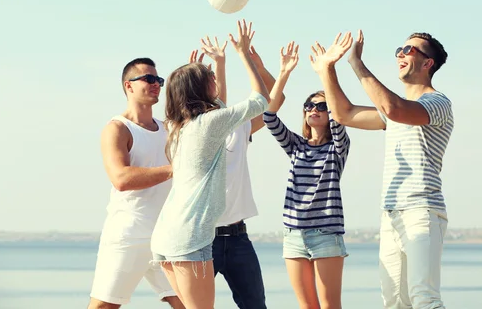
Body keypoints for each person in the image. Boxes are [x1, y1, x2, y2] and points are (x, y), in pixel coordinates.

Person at [309, 31, 453, 309]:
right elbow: (344, 114)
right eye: (399, 48)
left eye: (409, 50)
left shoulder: (438, 103)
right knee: (394, 303)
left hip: (421, 212)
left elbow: (392, 106)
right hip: (391, 215)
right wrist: (327, 69)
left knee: (425, 299)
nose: (400, 53)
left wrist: (356, 63)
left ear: (428, 64)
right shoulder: (397, 112)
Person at [150, 20, 270, 309]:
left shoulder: (178, 126)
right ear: (200, 89)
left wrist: (207, 72)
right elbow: (261, 100)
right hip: (191, 238)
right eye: (209, 78)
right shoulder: (208, 124)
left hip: (167, 236)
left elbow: (218, 108)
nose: (214, 80)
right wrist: (242, 54)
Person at [187, 31, 277, 309]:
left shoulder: (239, 128)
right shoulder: (191, 133)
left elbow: (273, 98)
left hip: (238, 238)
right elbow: (216, 110)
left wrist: (249, 62)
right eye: (208, 81)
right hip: (202, 239)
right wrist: (227, 62)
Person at [88, 58, 184, 309]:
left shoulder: (169, 129)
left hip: (165, 238)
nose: (156, 85)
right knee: (104, 307)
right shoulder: (117, 129)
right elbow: (121, 178)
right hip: (128, 235)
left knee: (190, 305)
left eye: (159, 80)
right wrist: (175, 169)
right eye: (148, 79)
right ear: (128, 86)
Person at [262, 41, 351, 309]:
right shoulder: (296, 146)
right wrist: (284, 72)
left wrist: (325, 70)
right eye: (309, 105)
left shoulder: (337, 147)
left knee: (329, 306)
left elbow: (339, 119)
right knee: (307, 307)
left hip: (326, 233)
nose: (314, 109)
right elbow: (269, 115)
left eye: (321, 106)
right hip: (293, 235)